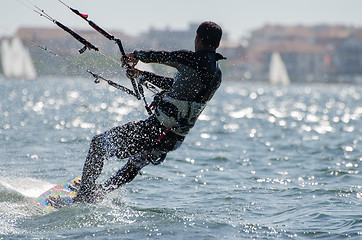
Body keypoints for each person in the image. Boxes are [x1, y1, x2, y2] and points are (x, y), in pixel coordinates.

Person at [74, 21, 226, 203]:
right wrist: (143, 75)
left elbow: (164, 56)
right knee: (135, 163)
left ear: (198, 38)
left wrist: (137, 55)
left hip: (155, 129)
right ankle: (101, 192)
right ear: (217, 45)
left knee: (98, 144)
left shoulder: (191, 59)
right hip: (173, 139)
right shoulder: (216, 74)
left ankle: (83, 196)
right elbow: (175, 86)